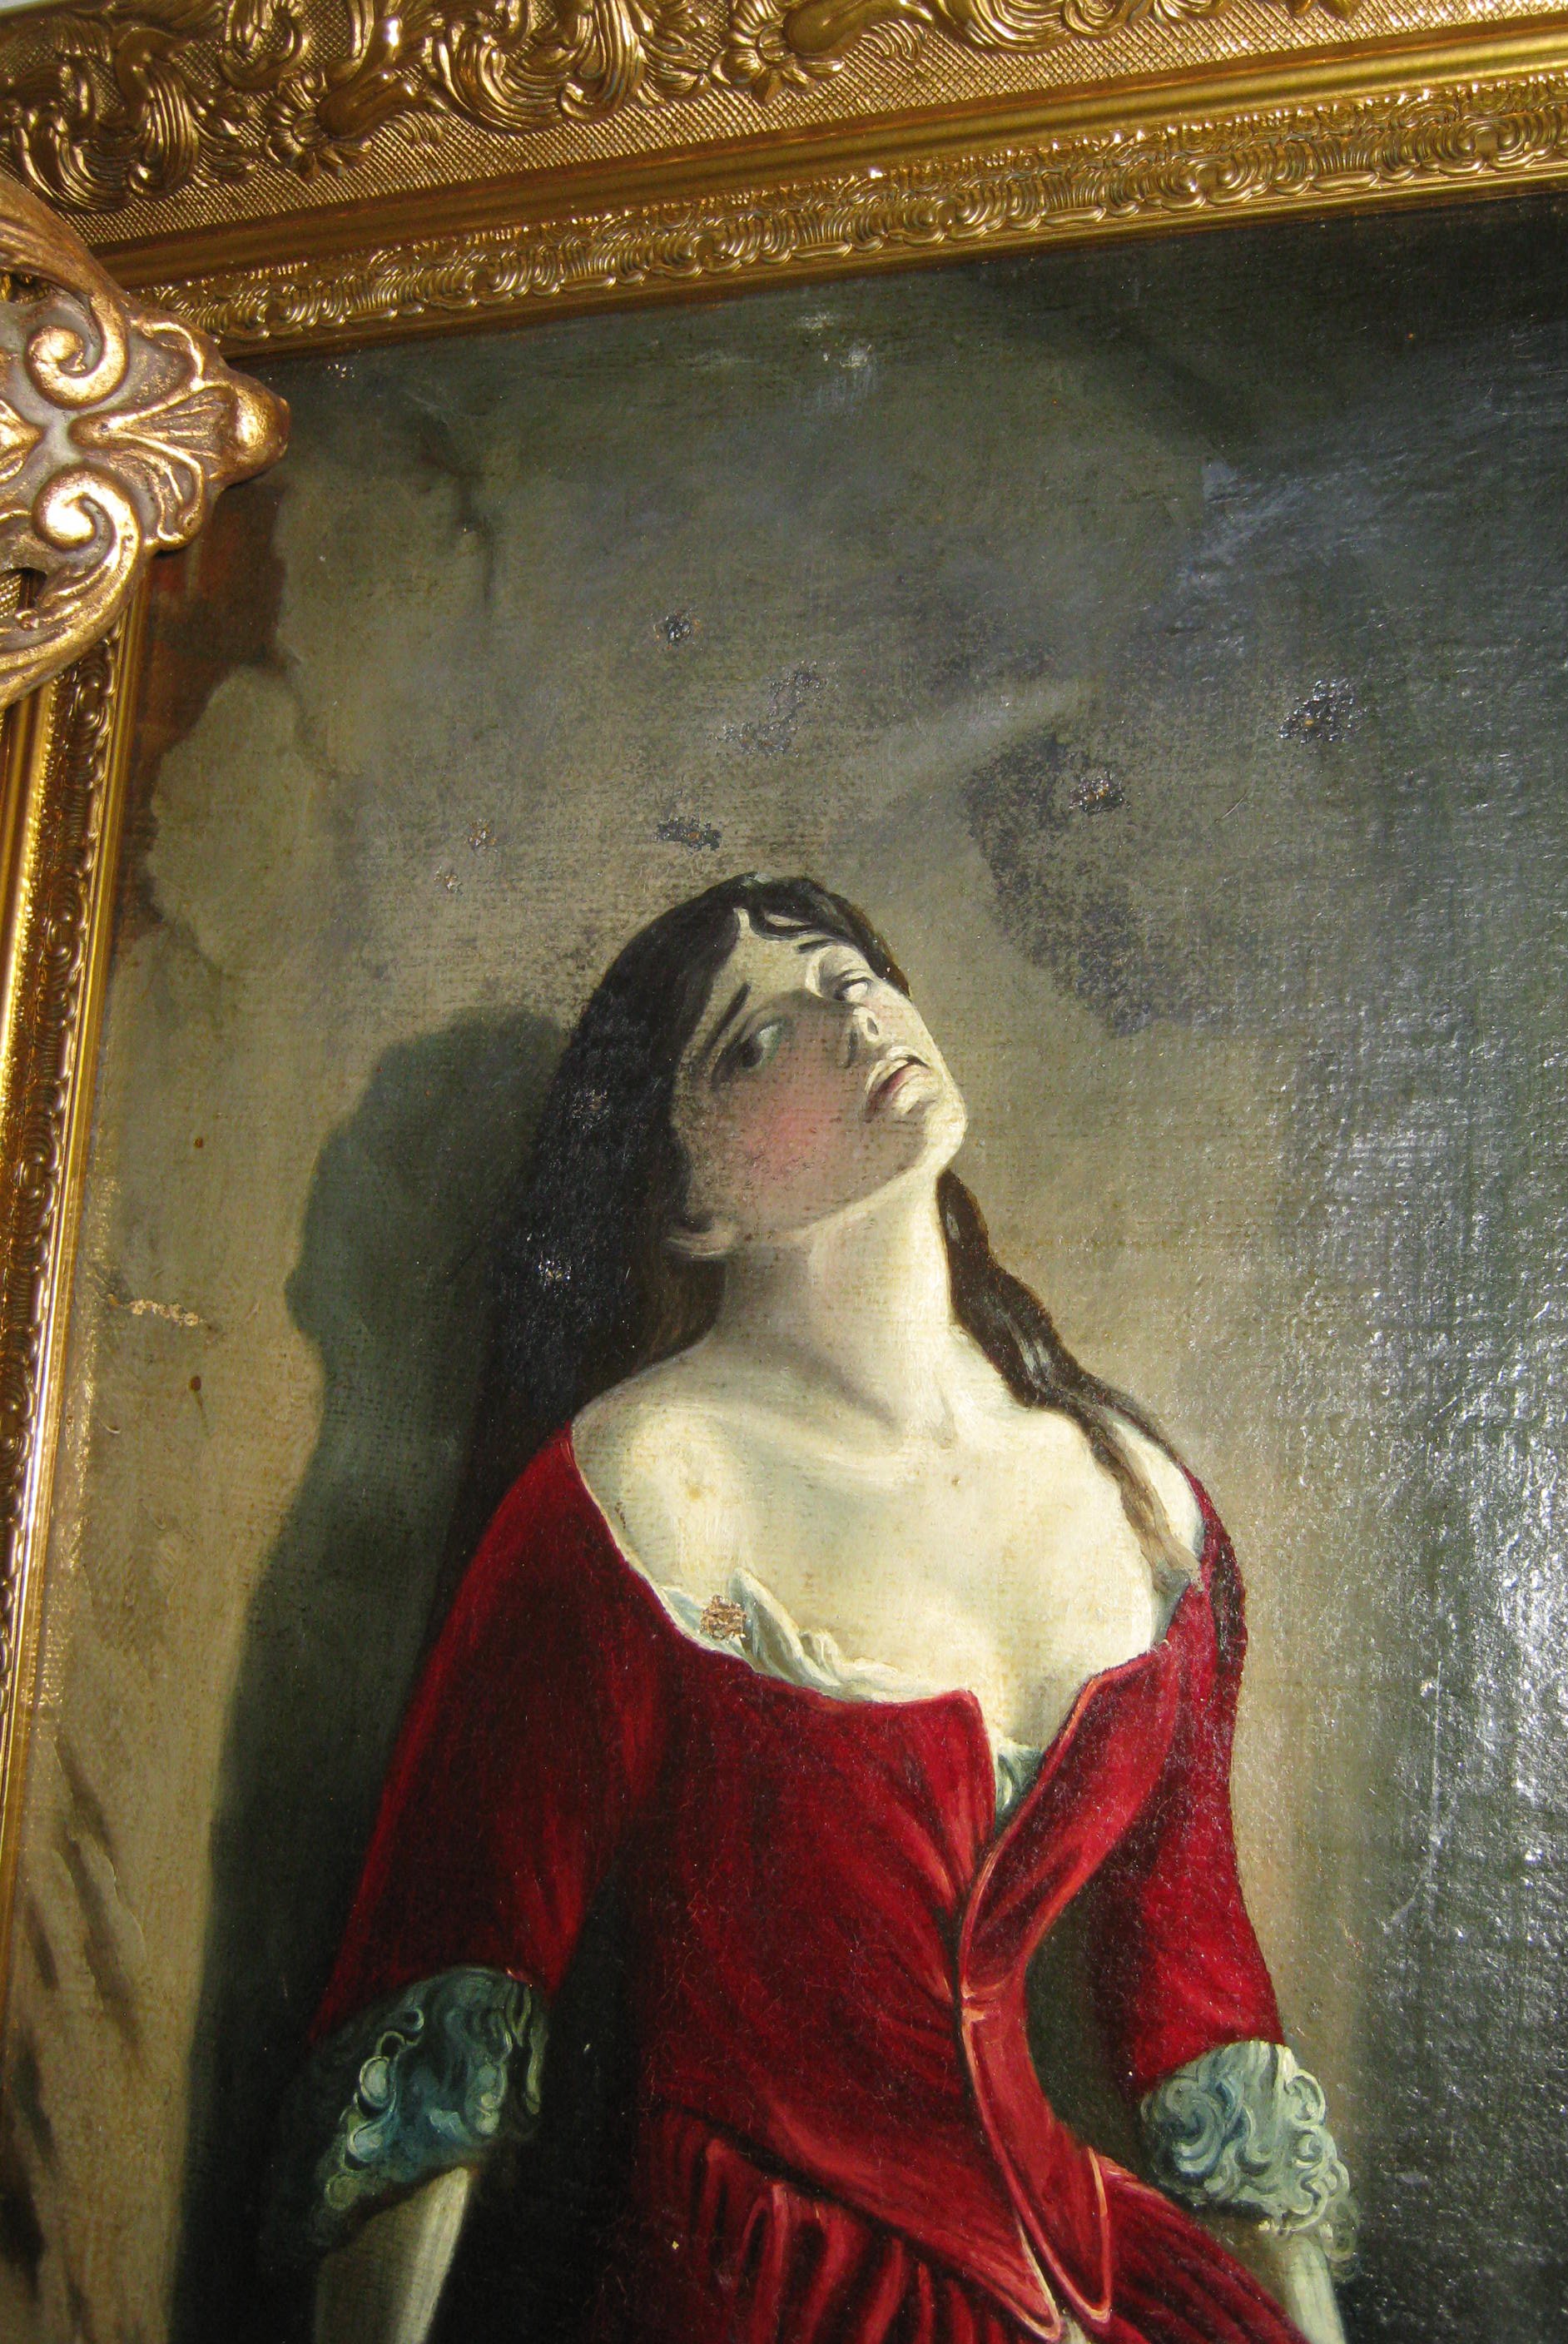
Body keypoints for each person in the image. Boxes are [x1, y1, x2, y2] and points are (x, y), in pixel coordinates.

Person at [263, 875, 1355, 2344]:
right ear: (690, 1205)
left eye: (849, 972)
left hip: (1103, 2284)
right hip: (754, 2292)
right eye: (757, 1036)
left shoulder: (1141, 1503)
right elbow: (445, 2001)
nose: (852, 1015)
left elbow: (1201, 2025)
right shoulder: (633, 1491)